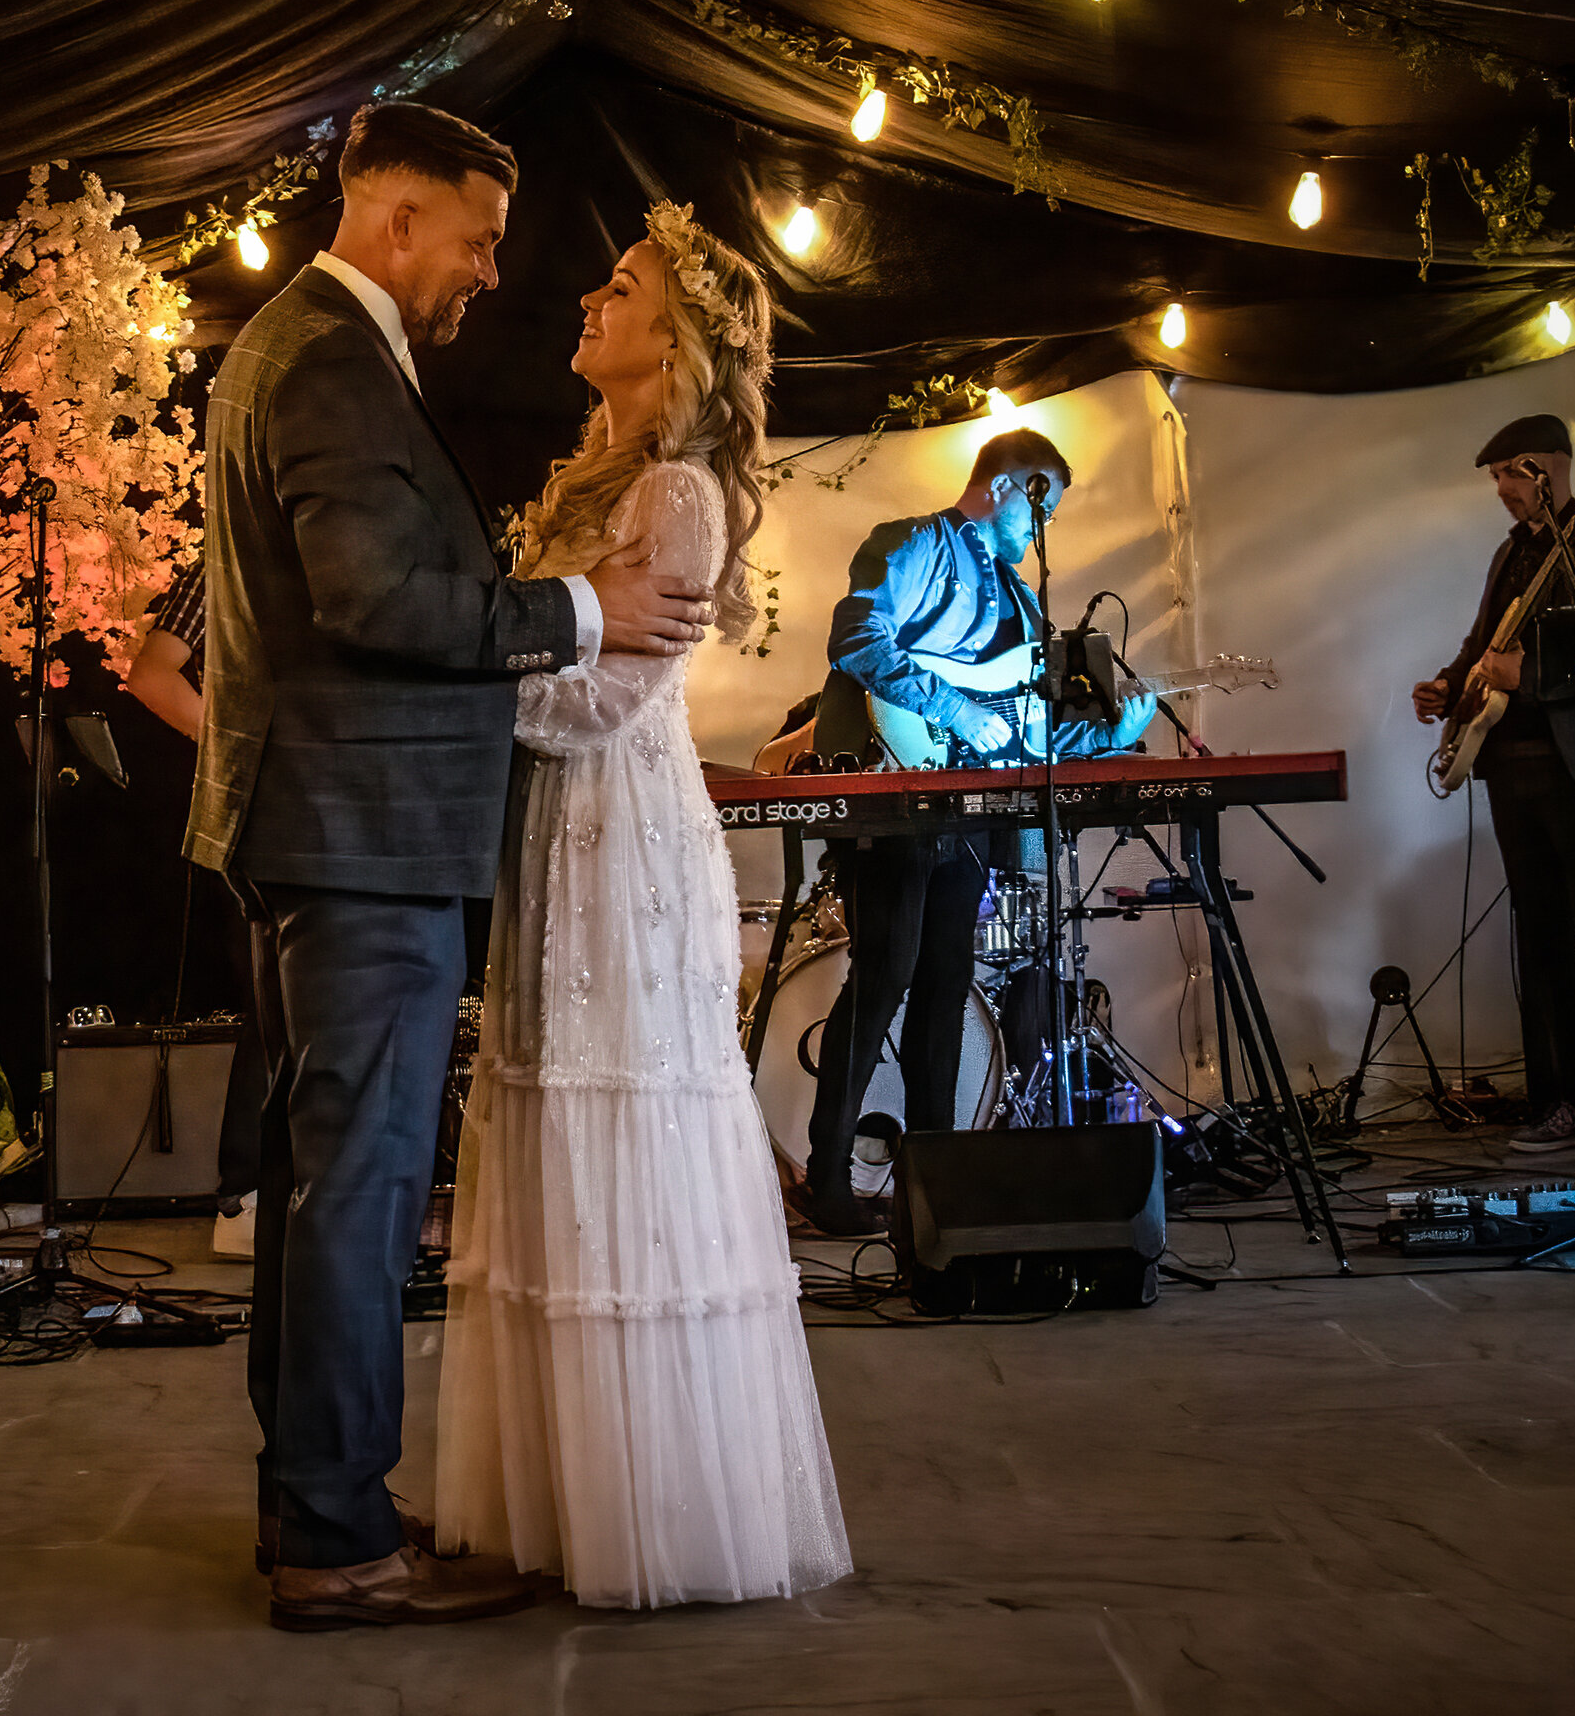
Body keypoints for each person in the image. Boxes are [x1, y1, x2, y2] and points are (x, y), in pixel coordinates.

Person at [186, 101, 715, 1631]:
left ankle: (318, 1501)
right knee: (357, 1195)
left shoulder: (299, 347)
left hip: (320, 824)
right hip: (360, 837)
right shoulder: (329, 360)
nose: (491, 271)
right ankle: (339, 1543)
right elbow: (373, 600)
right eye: (477, 240)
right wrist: (583, 611)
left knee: (318, 1189)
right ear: (396, 215)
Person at [434, 204, 852, 1610]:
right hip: (551, 837)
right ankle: (564, 1500)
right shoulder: (585, 486)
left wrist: (448, 680)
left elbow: (598, 702)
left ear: (676, 342)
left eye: (620, 287)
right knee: (549, 1121)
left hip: (620, 840)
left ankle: (652, 1510)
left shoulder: (676, 493)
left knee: (621, 1121)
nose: (587, 301)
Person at [801, 431, 1155, 1234]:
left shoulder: (1025, 602)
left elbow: (1028, 730)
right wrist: (955, 708)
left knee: (946, 982)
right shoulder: (910, 543)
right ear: (1003, 487)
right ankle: (826, 1179)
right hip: (890, 792)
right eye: (1039, 511)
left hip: (964, 814)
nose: (1041, 531)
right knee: (885, 972)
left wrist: (1110, 734)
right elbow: (856, 640)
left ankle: (934, 1182)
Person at [1413, 414, 1575, 1159]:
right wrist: (1449, 685)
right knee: (1545, 939)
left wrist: (1529, 675)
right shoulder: (1511, 553)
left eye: (1509, 472)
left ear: (1547, 469)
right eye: (1495, 476)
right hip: (1510, 765)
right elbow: (1483, 645)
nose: (1500, 488)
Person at [126, 554, 268, 1261]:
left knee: (307, 1004)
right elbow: (151, 675)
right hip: (259, 812)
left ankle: (282, 1191)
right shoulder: (226, 568)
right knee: (274, 1001)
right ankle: (244, 1194)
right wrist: (247, 751)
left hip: (322, 808)